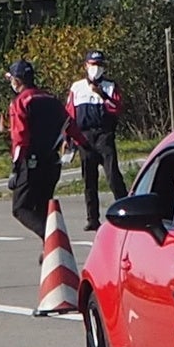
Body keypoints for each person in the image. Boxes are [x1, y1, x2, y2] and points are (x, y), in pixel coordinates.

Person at [4, 57, 65, 237]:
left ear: (17, 80)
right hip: (52, 161)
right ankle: (50, 253)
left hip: (31, 162)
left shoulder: (21, 102)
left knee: (21, 208)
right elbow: (68, 123)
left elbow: (19, 137)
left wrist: (16, 167)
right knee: (43, 206)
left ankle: (53, 239)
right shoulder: (51, 98)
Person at [68, 49, 127, 225]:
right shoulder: (76, 87)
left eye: (100, 65)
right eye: (93, 65)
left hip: (104, 135)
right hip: (84, 137)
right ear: (86, 65)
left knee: (112, 176)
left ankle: (125, 210)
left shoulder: (110, 86)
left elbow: (116, 108)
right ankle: (92, 218)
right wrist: (68, 138)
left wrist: (101, 93)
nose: (96, 68)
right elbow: (70, 113)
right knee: (89, 180)